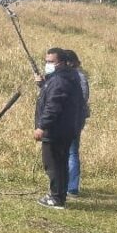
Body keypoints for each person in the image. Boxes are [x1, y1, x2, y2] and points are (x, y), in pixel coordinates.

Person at [32, 47, 85, 209]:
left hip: (56, 131)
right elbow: (54, 94)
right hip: (66, 129)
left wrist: (42, 126)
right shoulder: (66, 77)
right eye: (46, 61)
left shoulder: (60, 80)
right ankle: (59, 195)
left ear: (61, 62)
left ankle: (56, 198)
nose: (47, 64)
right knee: (61, 164)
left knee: (53, 164)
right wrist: (44, 84)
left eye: (51, 62)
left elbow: (53, 106)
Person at [64, 50, 90, 197]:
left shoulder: (78, 77)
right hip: (73, 118)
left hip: (73, 119)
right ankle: (68, 185)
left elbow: (82, 99)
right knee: (70, 151)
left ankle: (72, 187)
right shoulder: (75, 76)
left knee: (72, 151)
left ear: (70, 62)